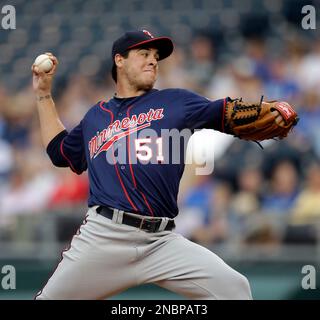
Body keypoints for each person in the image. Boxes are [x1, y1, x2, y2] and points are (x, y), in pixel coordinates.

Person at [32, 30, 296, 300]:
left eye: (156, 57)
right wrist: (43, 95)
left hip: (161, 241)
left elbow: (224, 113)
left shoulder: (175, 102)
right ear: (119, 60)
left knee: (235, 289)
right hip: (104, 237)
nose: (153, 61)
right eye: (144, 54)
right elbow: (60, 152)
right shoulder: (95, 117)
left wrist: (265, 112)